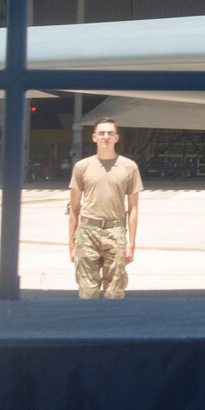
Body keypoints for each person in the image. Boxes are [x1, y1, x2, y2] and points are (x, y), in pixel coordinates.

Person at [68, 119, 142, 299]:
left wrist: (131, 243)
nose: (106, 137)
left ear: (117, 137)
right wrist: (71, 243)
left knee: (115, 291)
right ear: (94, 137)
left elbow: (133, 208)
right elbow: (74, 208)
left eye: (110, 133)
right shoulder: (82, 167)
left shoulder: (129, 167)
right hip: (87, 232)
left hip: (115, 231)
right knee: (87, 290)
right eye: (101, 133)